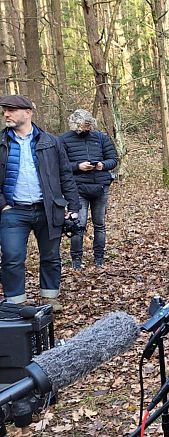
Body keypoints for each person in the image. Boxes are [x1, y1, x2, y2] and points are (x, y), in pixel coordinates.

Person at [0, 95, 80, 311]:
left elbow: (65, 176)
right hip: (13, 211)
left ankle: (50, 299)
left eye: (11, 110)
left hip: (48, 209)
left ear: (28, 112)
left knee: (51, 255)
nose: (6, 114)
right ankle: (15, 303)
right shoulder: (1, 142)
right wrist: (3, 205)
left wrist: (73, 207)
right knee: (12, 257)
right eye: (4, 110)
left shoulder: (51, 142)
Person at [59, 109, 118, 270]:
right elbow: (61, 165)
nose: (86, 129)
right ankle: (76, 259)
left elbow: (113, 159)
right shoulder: (63, 140)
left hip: (100, 186)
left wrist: (101, 165)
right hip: (77, 188)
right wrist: (78, 166)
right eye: (83, 126)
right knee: (78, 224)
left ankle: (99, 258)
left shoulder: (101, 138)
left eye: (88, 125)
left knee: (100, 224)